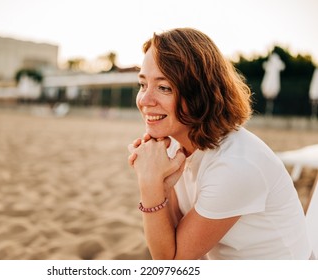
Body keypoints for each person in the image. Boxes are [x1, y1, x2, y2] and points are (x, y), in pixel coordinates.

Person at [127, 27, 312, 260]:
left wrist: (149, 183)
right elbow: (172, 238)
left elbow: (170, 265)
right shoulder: (175, 144)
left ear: (199, 93)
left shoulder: (234, 165)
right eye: (142, 85)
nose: (144, 99)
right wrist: (161, 185)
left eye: (164, 87)